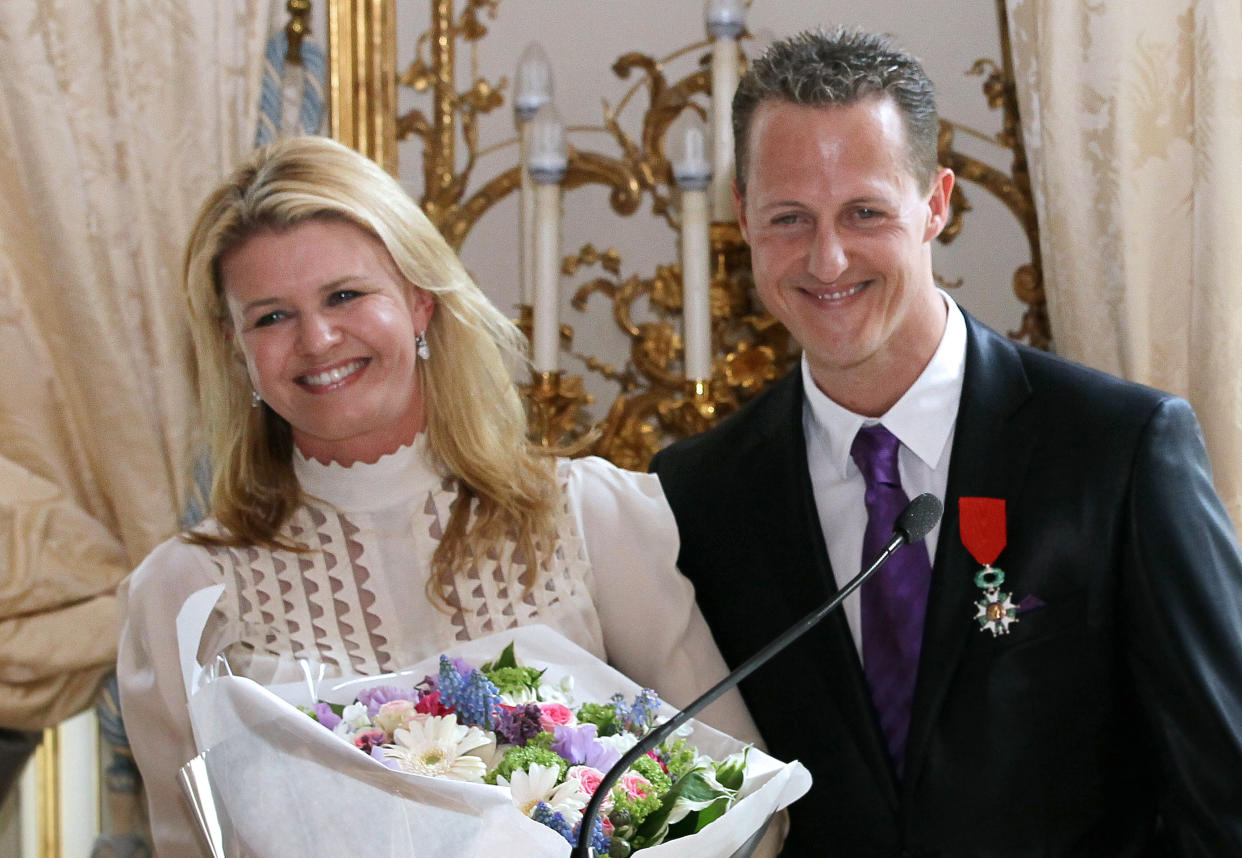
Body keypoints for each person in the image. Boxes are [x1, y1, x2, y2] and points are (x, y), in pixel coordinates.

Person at [651, 26, 1242, 856]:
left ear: (936, 203)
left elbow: (1225, 790)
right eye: (790, 218)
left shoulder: (1120, 451)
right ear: (742, 219)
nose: (827, 259)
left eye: (865, 212)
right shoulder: (696, 493)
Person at [116, 135, 765, 857]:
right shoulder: (184, 595)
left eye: (345, 295)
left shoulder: (592, 517)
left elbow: (742, 800)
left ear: (420, 302)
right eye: (271, 316)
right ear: (237, 353)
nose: (318, 338)